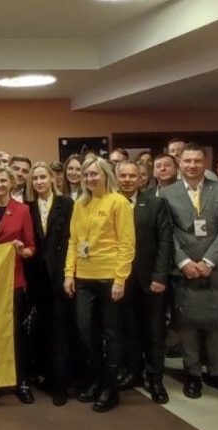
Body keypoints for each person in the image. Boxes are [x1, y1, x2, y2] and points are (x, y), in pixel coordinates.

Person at [161, 143, 218, 400]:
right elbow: (166, 232)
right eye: (187, 161)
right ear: (180, 163)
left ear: (205, 163)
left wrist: (208, 261)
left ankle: (216, 372)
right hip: (183, 268)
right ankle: (193, 373)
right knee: (187, 325)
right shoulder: (167, 193)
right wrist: (184, 261)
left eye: (197, 160)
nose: (192, 165)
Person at [63, 157, 135, 413]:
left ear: (106, 175)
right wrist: (69, 274)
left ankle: (109, 387)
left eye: (94, 174)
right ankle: (96, 377)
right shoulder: (80, 204)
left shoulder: (119, 202)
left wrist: (120, 279)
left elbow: (127, 243)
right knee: (86, 330)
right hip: (84, 278)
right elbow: (73, 241)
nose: (90, 179)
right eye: (86, 175)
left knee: (112, 333)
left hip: (109, 278)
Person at [115, 161, 173, 405]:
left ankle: (155, 378)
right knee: (127, 330)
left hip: (150, 280)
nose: (128, 180)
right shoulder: (110, 202)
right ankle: (133, 372)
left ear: (141, 178)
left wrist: (160, 277)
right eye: (123, 175)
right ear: (116, 178)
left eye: (133, 175)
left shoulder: (155, 203)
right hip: (120, 279)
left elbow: (165, 242)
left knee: (153, 332)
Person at [25, 162, 76, 406]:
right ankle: (46, 375)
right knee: (43, 330)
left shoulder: (66, 204)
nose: (39, 182)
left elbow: (73, 239)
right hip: (38, 277)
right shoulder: (28, 207)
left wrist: (70, 273)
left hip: (61, 275)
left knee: (61, 331)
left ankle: (61, 384)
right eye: (35, 178)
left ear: (52, 179)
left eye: (43, 177)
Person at [0, 166, 36, 403]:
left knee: (15, 330)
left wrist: (22, 251)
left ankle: (21, 380)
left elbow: (31, 247)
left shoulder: (22, 210)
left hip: (13, 279)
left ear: (12, 183)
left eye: (3, 181)